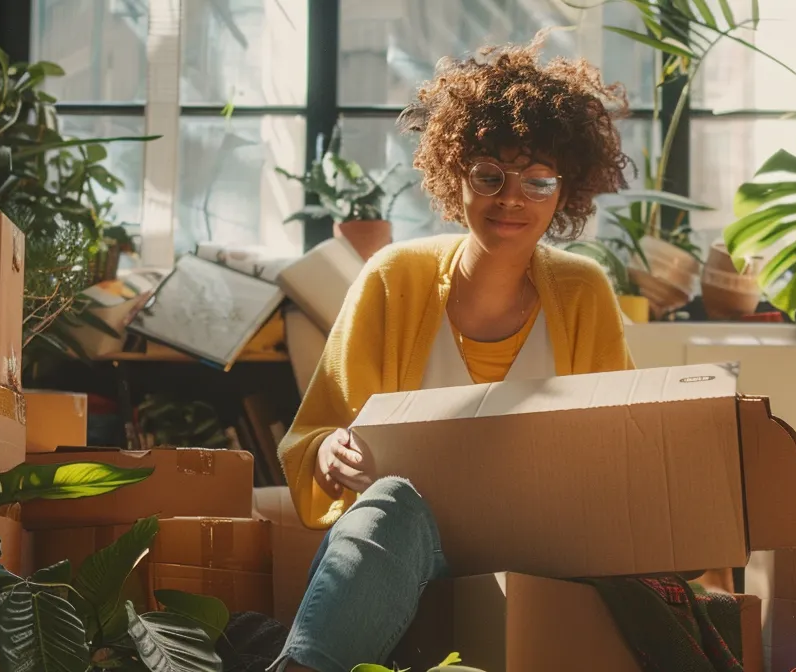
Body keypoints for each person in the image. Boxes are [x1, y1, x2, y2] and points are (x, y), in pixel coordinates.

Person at [272, 33, 637, 672]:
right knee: (391, 506)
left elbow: (622, 449)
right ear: (454, 173)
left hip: (546, 561)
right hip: (414, 555)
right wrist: (329, 451)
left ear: (566, 190)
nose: (511, 199)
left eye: (538, 180)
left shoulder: (584, 295)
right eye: (490, 175)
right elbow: (313, 437)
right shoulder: (393, 279)